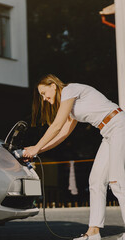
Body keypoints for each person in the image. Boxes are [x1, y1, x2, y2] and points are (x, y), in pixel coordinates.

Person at [23, 74, 125, 240]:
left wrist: (35, 147)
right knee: (96, 181)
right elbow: (62, 134)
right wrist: (38, 151)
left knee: (117, 182)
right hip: (108, 132)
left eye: (43, 93)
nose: (44, 98)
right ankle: (93, 233)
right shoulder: (69, 106)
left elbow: (56, 126)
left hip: (119, 125)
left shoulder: (70, 90)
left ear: (53, 86)